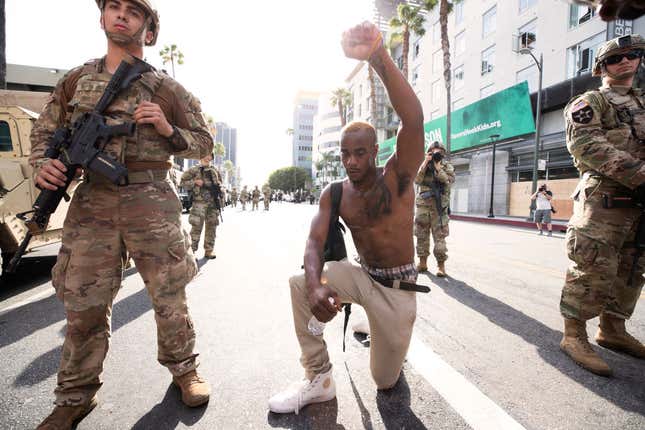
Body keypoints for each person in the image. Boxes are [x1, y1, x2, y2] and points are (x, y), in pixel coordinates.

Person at [31, 1, 213, 428]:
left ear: (148, 29)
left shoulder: (169, 89)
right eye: (113, 6)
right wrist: (44, 164)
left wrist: (171, 132)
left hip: (151, 197)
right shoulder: (76, 81)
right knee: (84, 302)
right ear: (101, 17)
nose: (121, 15)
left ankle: (184, 370)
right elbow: (44, 132)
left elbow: (204, 145)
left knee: (169, 294)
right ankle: (75, 394)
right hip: (92, 201)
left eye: (134, 11)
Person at [268, 21, 425, 414]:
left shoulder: (398, 178)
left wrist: (377, 55)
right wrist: (315, 286)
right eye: (345, 154)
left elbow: (414, 119)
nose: (352, 162)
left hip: (398, 292)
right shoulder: (335, 191)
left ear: (375, 150)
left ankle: (377, 328)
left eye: (360, 153)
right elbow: (314, 243)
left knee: (384, 382)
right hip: (362, 276)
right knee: (299, 283)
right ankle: (318, 377)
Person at [559, 34, 645, 377]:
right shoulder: (590, 102)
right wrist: (639, 173)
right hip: (604, 202)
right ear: (601, 68)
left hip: (639, 206)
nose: (624, 61)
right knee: (592, 266)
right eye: (614, 58)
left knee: (632, 268)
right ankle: (573, 334)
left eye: (633, 54)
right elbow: (585, 144)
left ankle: (612, 329)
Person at [414, 141, 455, 277]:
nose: (436, 153)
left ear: (443, 153)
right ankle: (422, 263)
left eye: (439, 151)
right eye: (433, 151)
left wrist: (438, 168)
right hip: (423, 206)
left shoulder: (447, 166)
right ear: (429, 152)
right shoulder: (423, 164)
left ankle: (441, 266)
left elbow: (447, 181)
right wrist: (425, 163)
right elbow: (417, 180)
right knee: (421, 236)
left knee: (440, 238)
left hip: (439, 207)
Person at [180, 153, 222, 259]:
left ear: (212, 157)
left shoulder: (215, 170)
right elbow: (182, 182)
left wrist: (220, 189)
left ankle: (209, 250)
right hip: (199, 203)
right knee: (196, 228)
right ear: (201, 157)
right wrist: (194, 182)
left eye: (210, 156)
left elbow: (220, 184)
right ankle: (191, 252)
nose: (207, 158)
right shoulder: (194, 170)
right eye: (205, 155)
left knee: (212, 227)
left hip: (213, 204)